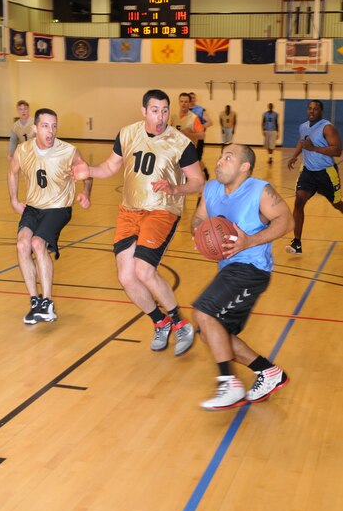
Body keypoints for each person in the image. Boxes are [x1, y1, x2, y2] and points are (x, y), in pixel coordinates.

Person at [72, 89, 204, 356]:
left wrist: (175, 188)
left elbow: (198, 181)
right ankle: (160, 321)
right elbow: (110, 168)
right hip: (129, 211)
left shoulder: (180, 143)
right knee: (125, 276)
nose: (161, 115)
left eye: (165, 110)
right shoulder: (127, 134)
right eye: (155, 110)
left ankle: (181, 323)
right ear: (144, 111)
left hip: (162, 210)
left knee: (143, 270)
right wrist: (89, 171)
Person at [192, 144, 294, 410]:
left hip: (252, 268)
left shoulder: (259, 190)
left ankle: (229, 383)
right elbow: (199, 217)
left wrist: (249, 241)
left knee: (204, 313)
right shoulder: (211, 188)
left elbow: (286, 221)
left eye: (229, 157)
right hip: (228, 269)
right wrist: (199, 233)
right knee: (211, 332)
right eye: (220, 156)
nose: (219, 161)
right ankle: (269, 372)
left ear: (244, 167)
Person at [7, 108, 93, 324]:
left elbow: (87, 173)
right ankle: (35, 301)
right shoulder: (23, 149)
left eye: (54, 126)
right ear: (35, 128)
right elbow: (12, 172)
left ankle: (47, 303)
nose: (51, 131)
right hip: (34, 207)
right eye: (45, 126)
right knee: (22, 245)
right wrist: (14, 200)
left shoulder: (68, 151)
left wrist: (85, 193)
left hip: (58, 207)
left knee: (37, 243)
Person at [286, 99, 343, 254]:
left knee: (338, 204)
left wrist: (314, 148)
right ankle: (297, 243)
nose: (311, 111)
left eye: (315, 109)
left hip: (326, 173)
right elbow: (302, 141)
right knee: (299, 201)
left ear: (320, 111)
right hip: (308, 172)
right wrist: (295, 155)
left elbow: (337, 151)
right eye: (309, 108)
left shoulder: (327, 127)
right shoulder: (303, 126)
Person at [189, 91, 213, 178]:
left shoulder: (199, 110)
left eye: (193, 98)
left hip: (198, 139)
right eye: (190, 98)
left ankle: (203, 170)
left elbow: (210, 122)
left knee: (197, 160)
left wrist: (198, 127)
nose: (192, 100)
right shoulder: (184, 110)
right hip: (188, 139)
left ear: (195, 99)